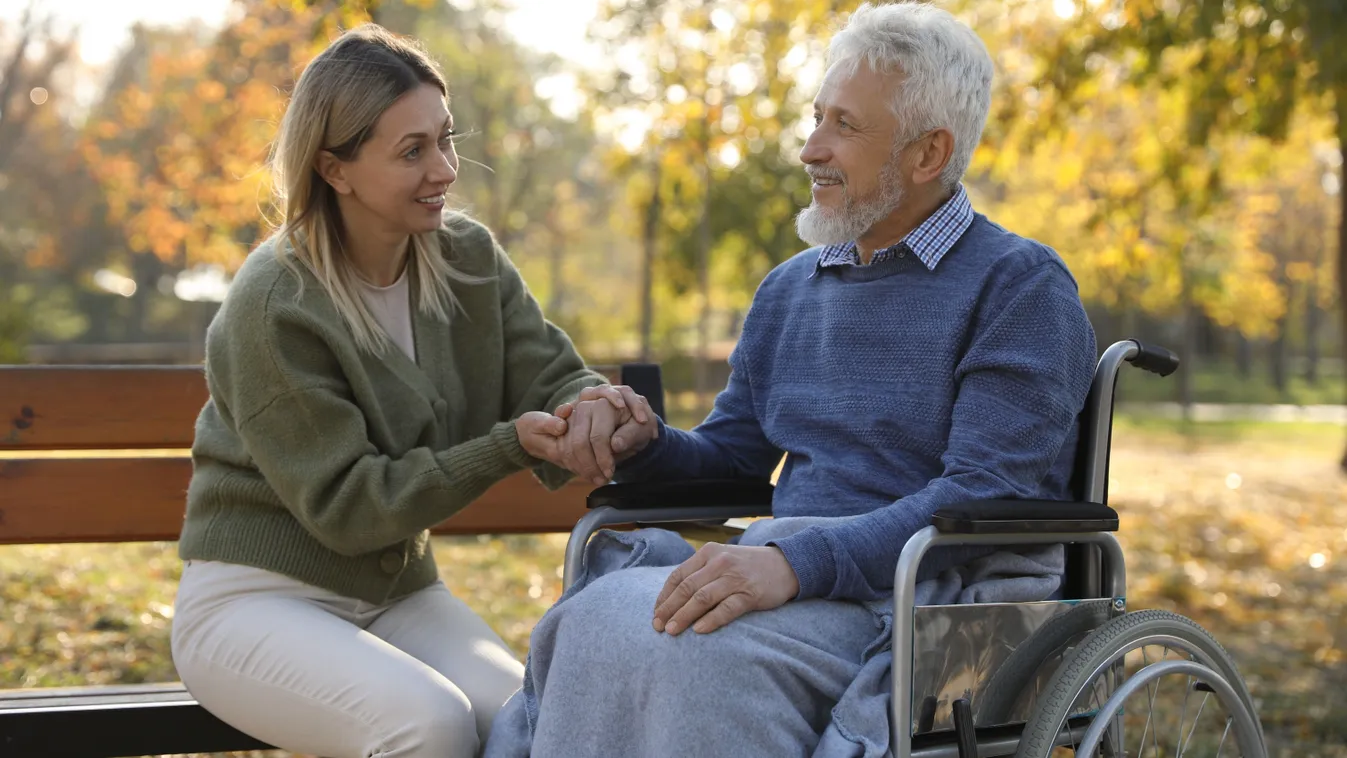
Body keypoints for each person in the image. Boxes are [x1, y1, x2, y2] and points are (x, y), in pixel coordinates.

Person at [486, 3, 1099, 756]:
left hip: (927, 596)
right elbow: (734, 457)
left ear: (926, 153)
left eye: (842, 125)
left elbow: (976, 493)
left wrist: (793, 564)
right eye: (815, 120)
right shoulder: (789, 289)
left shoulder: (1018, 288)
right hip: (797, 574)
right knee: (595, 620)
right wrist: (644, 442)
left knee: (698, 657)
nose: (810, 149)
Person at [169, 24, 649, 758]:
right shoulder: (275, 304)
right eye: (412, 151)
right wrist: (504, 447)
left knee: (532, 722)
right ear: (335, 169)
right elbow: (351, 509)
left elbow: (548, 371)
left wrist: (593, 407)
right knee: (425, 726)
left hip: (398, 595)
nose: (446, 169)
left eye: (445, 139)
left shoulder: (466, 258)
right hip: (254, 601)